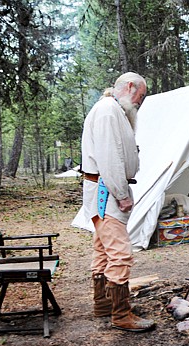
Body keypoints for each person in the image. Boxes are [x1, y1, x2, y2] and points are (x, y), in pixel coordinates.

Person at [80, 72, 155, 332]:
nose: (139, 102)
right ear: (130, 86)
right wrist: (121, 195)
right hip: (106, 191)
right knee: (120, 254)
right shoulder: (108, 111)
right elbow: (109, 157)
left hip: (104, 189)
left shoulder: (113, 110)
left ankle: (103, 304)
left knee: (103, 249)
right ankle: (121, 314)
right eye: (140, 96)